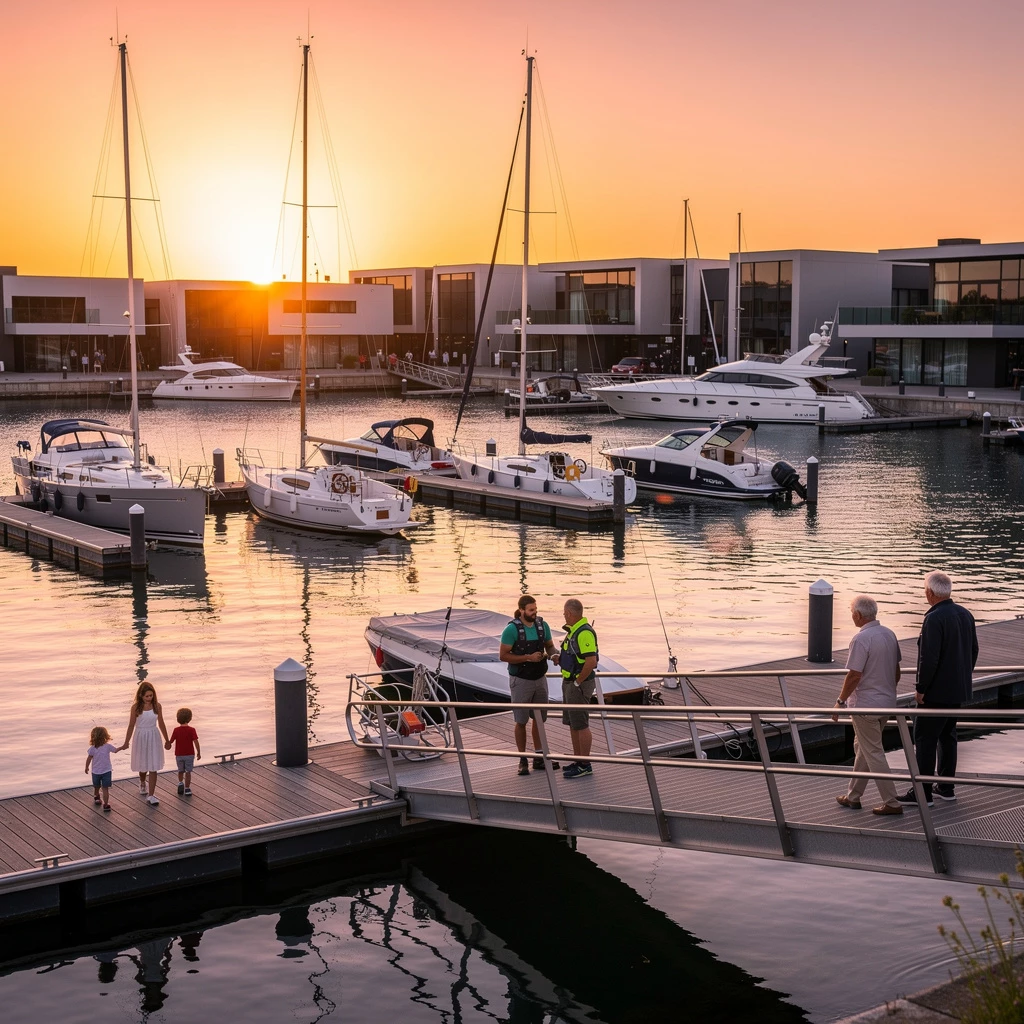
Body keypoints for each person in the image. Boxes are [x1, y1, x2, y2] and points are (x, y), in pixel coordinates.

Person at [898, 571, 978, 808]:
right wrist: (963, 677)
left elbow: (928, 659)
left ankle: (922, 793)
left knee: (924, 737)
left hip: (936, 693)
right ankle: (945, 787)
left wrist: (921, 688)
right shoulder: (965, 614)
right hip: (957, 690)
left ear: (930, 592)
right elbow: (973, 650)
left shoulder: (933, 618)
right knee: (948, 736)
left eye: (925, 590)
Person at [832, 595, 903, 815]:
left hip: (865, 707)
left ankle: (892, 802)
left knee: (873, 752)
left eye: (851, 612)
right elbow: (896, 672)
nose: (851, 615)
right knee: (863, 748)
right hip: (886, 703)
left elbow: (854, 675)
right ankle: (853, 796)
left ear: (858, 615)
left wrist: (840, 701)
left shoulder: (861, 639)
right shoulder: (889, 634)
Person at [499, 595, 558, 776]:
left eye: (535, 609)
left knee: (539, 718)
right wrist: (528, 657)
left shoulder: (543, 626)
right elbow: (503, 656)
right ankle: (522, 758)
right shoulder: (511, 630)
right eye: (531, 610)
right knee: (521, 721)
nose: (534, 613)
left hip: (540, 678)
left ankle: (539, 756)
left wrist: (554, 655)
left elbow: (550, 646)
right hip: (521, 680)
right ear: (522, 610)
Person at [558, 599, 599, 779]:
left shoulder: (584, 633)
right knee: (573, 723)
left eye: (564, 613)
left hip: (578, 684)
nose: (564, 616)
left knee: (581, 724)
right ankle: (578, 760)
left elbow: (591, 661)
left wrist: (578, 682)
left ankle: (585, 764)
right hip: (569, 680)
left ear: (569, 613)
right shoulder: (573, 632)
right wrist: (558, 658)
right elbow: (575, 657)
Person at [122, 682, 170, 806]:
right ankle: (142, 781)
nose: (149, 698)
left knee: (153, 766)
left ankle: (151, 795)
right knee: (143, 765)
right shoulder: (136, 708)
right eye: (147, 696)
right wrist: (126, 741)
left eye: (151, 696)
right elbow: (131, 725)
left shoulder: (157, 706)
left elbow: (161, 723)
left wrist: (167, 739)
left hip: (153, 735)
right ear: (141, 696)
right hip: (141, 736)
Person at [85, 726, 124, 812]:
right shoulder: (93, 748)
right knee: (98, 786)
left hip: (105, 771)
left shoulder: (106, 746)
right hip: (98, 771)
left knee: (103, 787)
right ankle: (97, 796)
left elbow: (115, 750)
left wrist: (122, 747)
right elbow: (89, 758)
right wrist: (86, 766)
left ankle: (105, 803)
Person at [165, 707, 201, 796]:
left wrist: (167, 744)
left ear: (178, 719)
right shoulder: (192, 730)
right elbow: (196, 741)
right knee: (188, 772)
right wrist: (198, 752)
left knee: (180, 770)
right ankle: (187, 788)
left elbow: (171, 741)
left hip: (179, 754)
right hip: (189, 754)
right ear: (190, 718)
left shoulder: (176, 730)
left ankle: (180, 782)